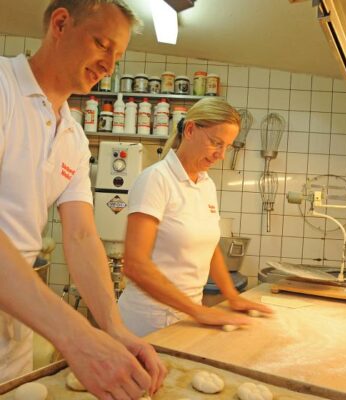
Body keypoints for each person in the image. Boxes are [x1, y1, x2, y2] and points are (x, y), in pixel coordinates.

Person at [0, 0, 166, 398]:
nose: (109, 65)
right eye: (102, 44)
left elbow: (81, 237)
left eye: (118, 56)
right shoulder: (3, 88)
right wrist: (75, 336)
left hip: (14, 328)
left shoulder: (72, 136)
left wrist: (112, 326)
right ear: (60, 24)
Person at [118, 97, 272, 337]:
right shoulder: (156, 179)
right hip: (147, 320)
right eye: (215, 143)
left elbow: (210, 249)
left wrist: (232, 297)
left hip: (185, 316)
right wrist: (198, 311)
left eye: (227, 147)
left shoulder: (206, 184)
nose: (221, 155)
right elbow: (135, 265)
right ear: (190, 130)